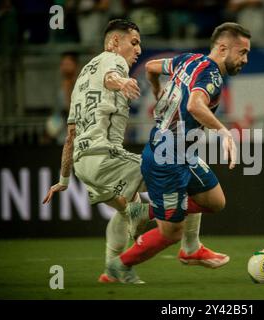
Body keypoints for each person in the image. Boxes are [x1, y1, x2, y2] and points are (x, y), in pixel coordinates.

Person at [42, 19, 229, 284]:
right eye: (134, 42)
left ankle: (113, 270)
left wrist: (63, 180)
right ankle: (189, 247)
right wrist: (122, 83)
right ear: (114, 42)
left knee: (125, 211)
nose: (138, 49)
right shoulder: (113, 59)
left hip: (84, 165)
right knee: (181, 168)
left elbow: (71, 134)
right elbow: (112, 76)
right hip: (106, 157)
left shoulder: (83, 76)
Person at [106, 22, 251, 283]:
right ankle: (119, 266)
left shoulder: (188, 59)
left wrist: (155, 88)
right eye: (241, 52)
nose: (245, 59)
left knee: (215, 201)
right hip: (166, 160)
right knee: (171, 232)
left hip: (183, 154)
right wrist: (224, 132)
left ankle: (153, 217)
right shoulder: (212, 76)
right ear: (222, 48)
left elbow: (151, 68)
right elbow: (196, 105)